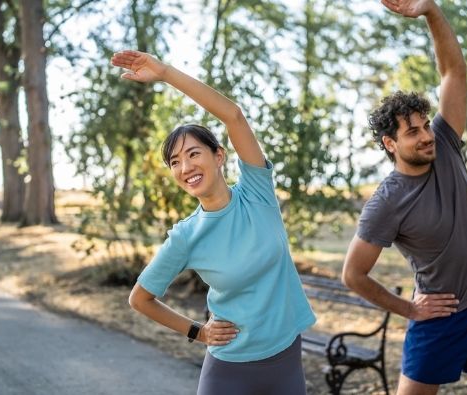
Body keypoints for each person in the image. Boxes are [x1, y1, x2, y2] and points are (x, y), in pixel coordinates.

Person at [112, 50, 316, 395]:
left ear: (219, 156)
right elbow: (140, 298)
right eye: (175, 162)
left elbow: (233, 116)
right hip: (228, 369)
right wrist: (197, 331)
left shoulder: (257, 193)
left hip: (285, 357)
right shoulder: (186, 236)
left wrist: (164, 73)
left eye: (194, 154)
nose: (185, 167)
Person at [342, 1, 467, 394]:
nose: (425, 136)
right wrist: (409, 310)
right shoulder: (386, 201)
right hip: (442, 318)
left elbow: (454, 71)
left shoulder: (446, 144)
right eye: (412, 132)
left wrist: (431, 12)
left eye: (424, 125)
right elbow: (353, 273)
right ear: (390, 143)